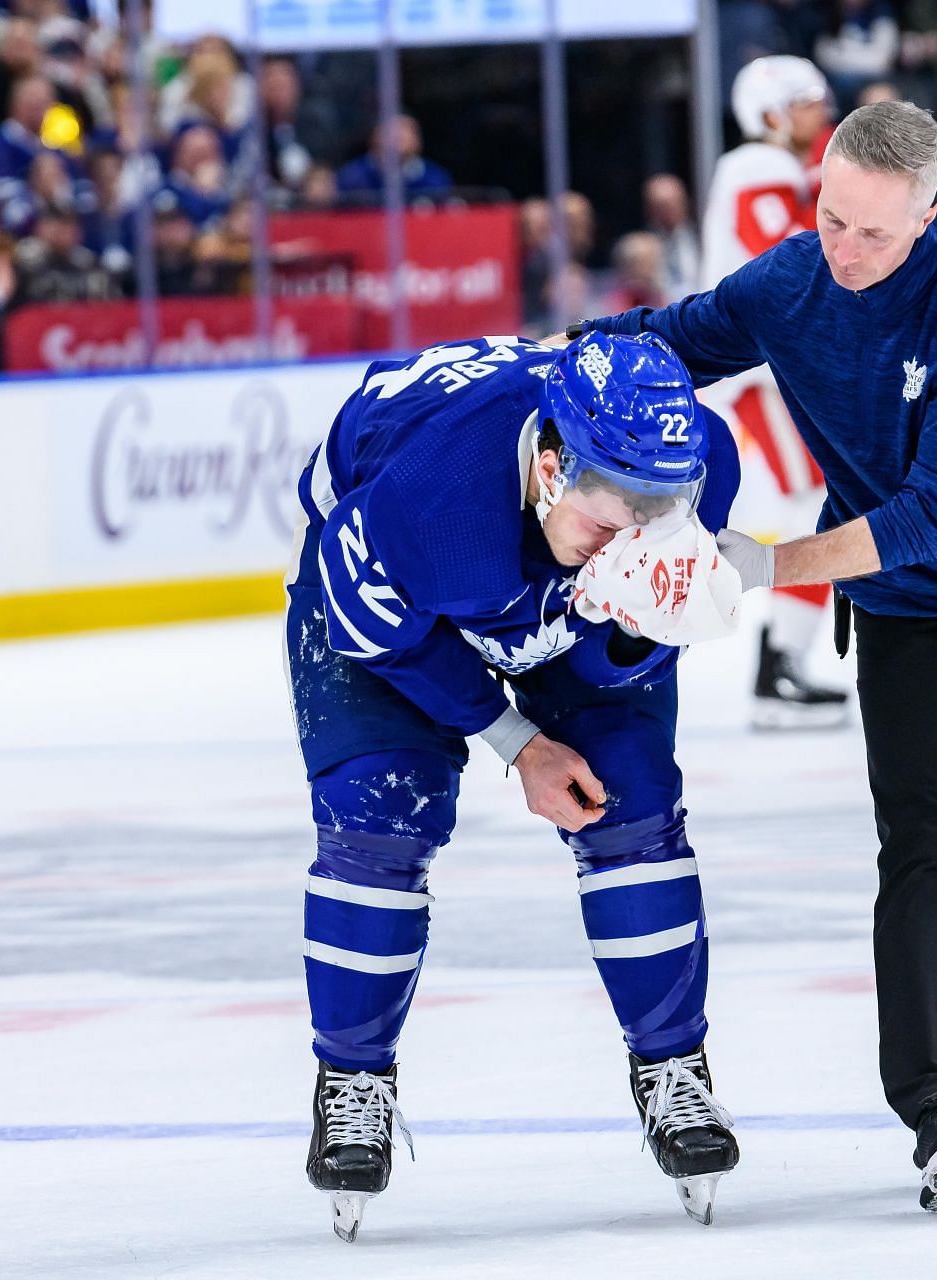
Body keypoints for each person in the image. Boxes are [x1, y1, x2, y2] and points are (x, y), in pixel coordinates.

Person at [576, 100, 937, 1213]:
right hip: (908, 617)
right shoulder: (794, 282)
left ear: (931, 216)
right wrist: (535, 378)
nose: (844, 250)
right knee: (925, 838)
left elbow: (935, 515)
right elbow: (668, 340)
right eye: (831, 218)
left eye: (873, 231)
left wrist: (761, 567)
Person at [285, 332, 744, 1240]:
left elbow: (627, 655)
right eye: (614, 522)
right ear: (548, 466)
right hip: (391, 593)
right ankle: (352, 1077)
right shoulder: (429, 507)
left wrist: (629, 621)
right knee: (380, 812)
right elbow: (376, 629)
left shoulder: (699, 461)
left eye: (660, 516)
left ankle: (672, 1067)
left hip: (516, 568)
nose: (637, 542)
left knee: (633, 799)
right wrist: (517, 740)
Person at [698, 54, 851, 730]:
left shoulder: (766, 168)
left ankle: (780, 662)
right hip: (765, 371)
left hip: (764, 368)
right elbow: (790, 256)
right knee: (821, 513)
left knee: (824, 510)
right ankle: (778, 667)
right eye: (805, 101)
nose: (819, 112)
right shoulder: (761, 169)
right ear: (769, 114)